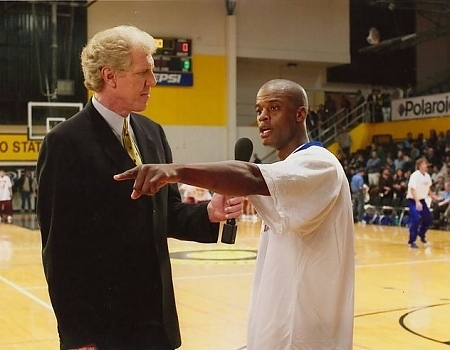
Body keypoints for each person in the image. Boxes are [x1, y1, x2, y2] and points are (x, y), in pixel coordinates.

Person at [36, 25, 243, 350]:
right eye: (143, 72)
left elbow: (168, 214)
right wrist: (78, 336)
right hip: (104, 330)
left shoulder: (152, 134)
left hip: (156, 323)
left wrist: (210, 212)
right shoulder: (65, 143)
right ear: (110, 75)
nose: (153, 81)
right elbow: (59, 250)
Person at [115, 79, 355, 349]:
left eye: (274, 108)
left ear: (300, 114)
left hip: (304, 336)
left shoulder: (319, 165)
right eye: (258, 110)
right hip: (278, 330)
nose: (263, 116)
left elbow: (250, 175)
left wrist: (176, 171)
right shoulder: (286, 170)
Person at [406, 157, 437, 248]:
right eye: (424, 163)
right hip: (413, 200)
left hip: (422, 200)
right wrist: (417, 201)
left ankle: (421, 233)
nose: (426, 165)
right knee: (415, 219)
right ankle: (412, 241)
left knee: (428, 219)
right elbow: (412, 189)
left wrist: (432, 196)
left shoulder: (427, 176)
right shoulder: (415, 175)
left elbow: (428, 188)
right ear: (419, 166)